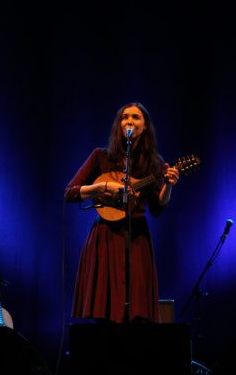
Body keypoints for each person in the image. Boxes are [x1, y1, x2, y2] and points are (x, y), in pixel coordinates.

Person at [64, 102, 179, 323]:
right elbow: (70, 192)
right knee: (104, 312)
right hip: (104, 237)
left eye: (136, 117)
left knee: (136, 314)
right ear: (119, 125)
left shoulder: (155, 163)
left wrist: (169, 185)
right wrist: (104, 187)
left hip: (137, 238)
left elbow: (157, 208)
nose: (129, 121)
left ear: (145, 126)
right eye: (125, 117)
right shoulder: (101, 157)